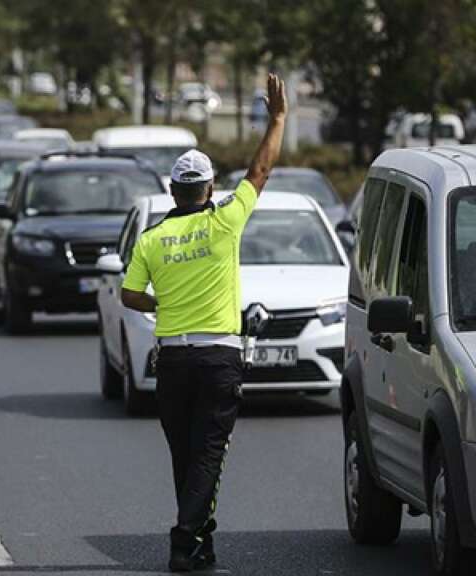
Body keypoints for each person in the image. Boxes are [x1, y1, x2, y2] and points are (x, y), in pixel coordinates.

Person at [120, 73, 288, 572]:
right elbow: (259, 170)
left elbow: (129, 295)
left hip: (171, 358)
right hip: (219, 358)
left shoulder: (152, 238)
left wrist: (161, 303)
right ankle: (183, 539)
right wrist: (277, 118)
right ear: (210, 188)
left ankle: (200, 541)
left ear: (173, 190)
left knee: (185, 455)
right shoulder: (224, 222)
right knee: (209, 454)